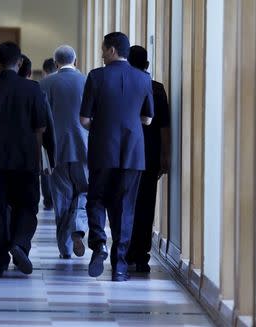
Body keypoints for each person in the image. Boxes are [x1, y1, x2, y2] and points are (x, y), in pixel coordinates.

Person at [80, 32, 154, 282]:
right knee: (125, 207)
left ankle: (98, 244)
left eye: (103, 49)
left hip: (103, 149)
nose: (101, 54)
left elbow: (84, 119)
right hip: (133, 152)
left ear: (112, 50)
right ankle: (120, 266)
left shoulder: (96, 76)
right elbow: (148, 118)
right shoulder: (143, 78)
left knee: (97, 198)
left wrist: (103, 127)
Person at [0, 42, 48, 278]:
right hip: (25, 160)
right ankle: (20, 243)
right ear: (20, 62)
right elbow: (40, 126)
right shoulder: (33, 90)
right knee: (27, 205)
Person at [40, 45, 88, 259]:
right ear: (75, 61)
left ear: (56, 62)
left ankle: (65, 249)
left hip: (56, 149)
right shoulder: (87, 81)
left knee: (61, 197)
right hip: (84, 148)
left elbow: (40, 122)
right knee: (84, 191)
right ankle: (78, 226)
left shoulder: (46, 83)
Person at [126, 45, 170, 273]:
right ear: (147, 65)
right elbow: (164, 126)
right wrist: (165, 155)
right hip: (150, 155)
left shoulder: (123, 85)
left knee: (125, 203)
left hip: (125, 154)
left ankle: (125, 249)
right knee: (146, 204)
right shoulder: (157, 89)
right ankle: (141, 253)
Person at [19, 54, 56, 210]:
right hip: (32, 148)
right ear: (29, 73)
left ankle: (48, 199)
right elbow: (44, 124)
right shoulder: (36, 91)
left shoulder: (41, 85)